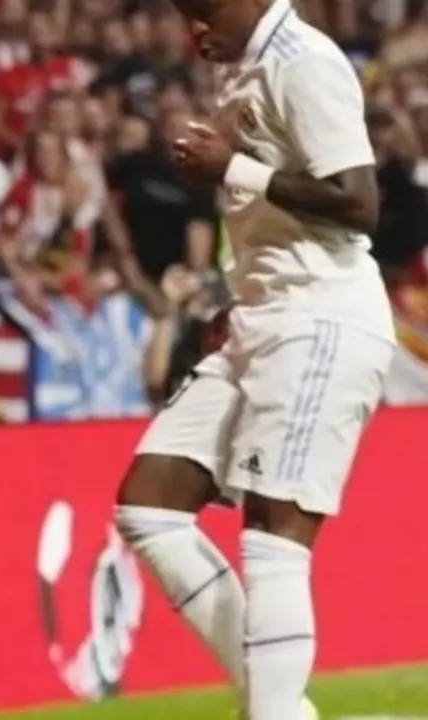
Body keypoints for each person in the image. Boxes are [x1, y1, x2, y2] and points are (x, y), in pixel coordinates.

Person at [113, 1, 392, 719]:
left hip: (321, 317)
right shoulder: (247, 70)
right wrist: (237, 294)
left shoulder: (305, 61)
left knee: (273, 541)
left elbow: (360, 203)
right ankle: (279, 708)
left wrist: (234, 166)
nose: (193, 34)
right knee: (149, 506)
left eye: (199, 13)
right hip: (261, 317)